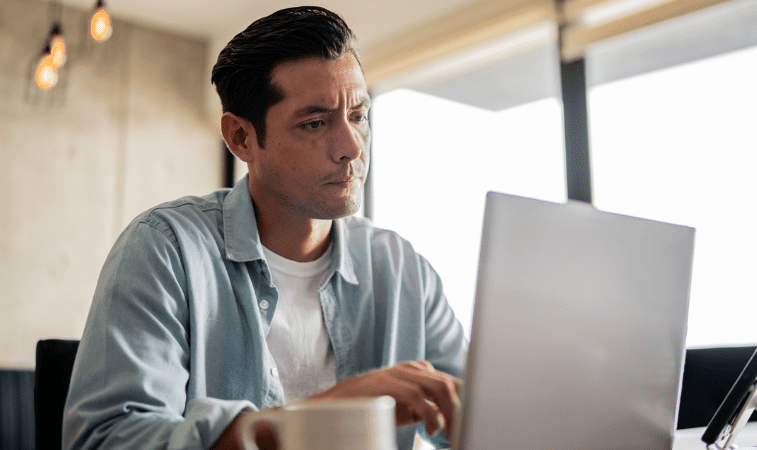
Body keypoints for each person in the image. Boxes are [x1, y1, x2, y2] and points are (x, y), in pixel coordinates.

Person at [62, 6, 467, 450]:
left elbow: (480, 420)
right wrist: (324, 414)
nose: (351, 147)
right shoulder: (165, 249)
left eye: (358, 115)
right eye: (315, 123)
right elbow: (107, 440)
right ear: (240, 138)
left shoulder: (405, 269)